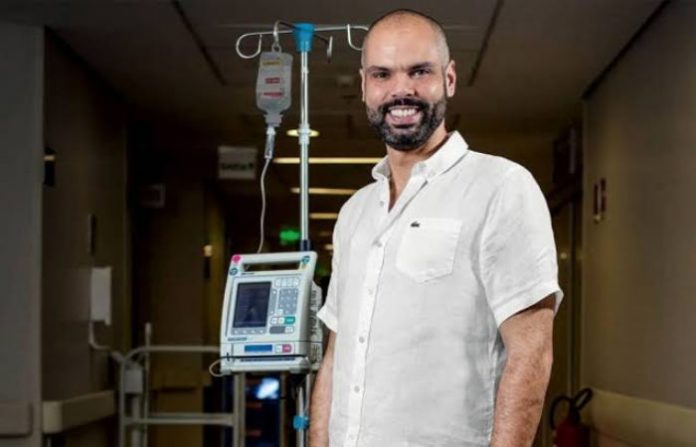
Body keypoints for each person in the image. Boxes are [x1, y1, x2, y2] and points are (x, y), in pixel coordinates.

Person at [310, 9, 562, 447]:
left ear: (449, 79)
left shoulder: (500, 187)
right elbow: (336, 356)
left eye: (419, 71)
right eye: (383, 74)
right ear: (364, 86)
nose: (401, 90)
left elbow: (531, 354)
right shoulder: (355, 213)